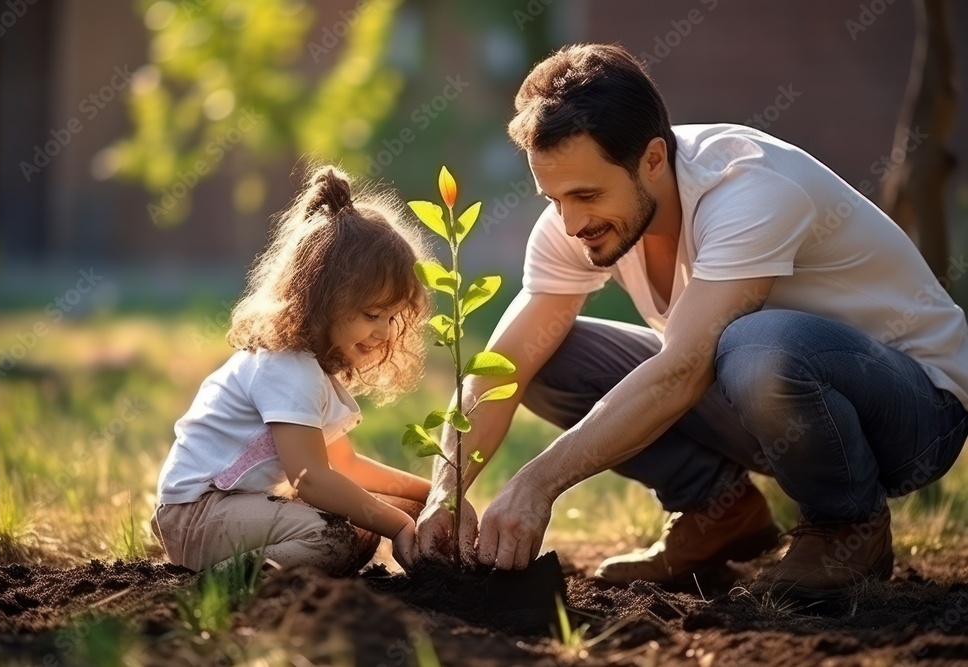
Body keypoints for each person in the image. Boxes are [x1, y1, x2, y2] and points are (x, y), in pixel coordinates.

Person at [414, 43, 968, 598]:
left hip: (915, 412)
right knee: (545, 354)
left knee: (753, 342)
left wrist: (538, 482)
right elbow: (502, 367)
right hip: (774, 406)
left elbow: (682, 368)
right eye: (554, 197)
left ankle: (847, 527)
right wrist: (447, 489)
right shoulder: (576, 220)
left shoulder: (748, 187)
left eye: (586, 194)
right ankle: (715, 513)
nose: (570, 220)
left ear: (653, 159)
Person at [151, 166, 433, 575]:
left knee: (376, 516)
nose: (384, 331)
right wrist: (399, 524)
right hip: (196, 515)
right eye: (373, 313)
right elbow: (310, 478)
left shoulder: (312, 370)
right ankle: (223, 583)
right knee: (333, 535)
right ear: (323, 299)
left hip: (232, 510)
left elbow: (346, 467)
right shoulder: (287, 367)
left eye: (393, 317)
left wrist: (434, 495)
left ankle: (275, 575)